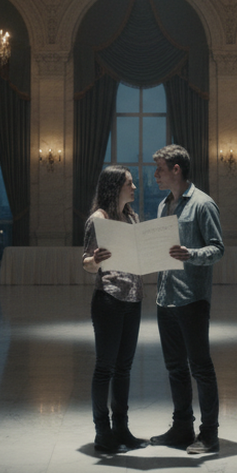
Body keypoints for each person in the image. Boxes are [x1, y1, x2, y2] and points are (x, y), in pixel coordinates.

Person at [149, 144, 225, 455]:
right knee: (175, 369)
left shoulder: (203, 204)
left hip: (192, 299)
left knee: (201, 368)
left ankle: (209, 434)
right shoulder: (163, 206)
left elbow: (217, 249)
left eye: (160, 169)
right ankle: (182, 428)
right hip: (165, 298)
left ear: (176, 169)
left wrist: (190, 254)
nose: (155, 174)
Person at [81, 165, 148, 454]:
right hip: (108, 299)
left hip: (134, 298)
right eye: (129, 183)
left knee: (124, 368)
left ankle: (122, 428)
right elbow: (86, 263)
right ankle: (102, 432)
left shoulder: (132, 218)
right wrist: (96, 260)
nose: (134, 188)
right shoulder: (98, 219)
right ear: (114, 187)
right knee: (105, 367)